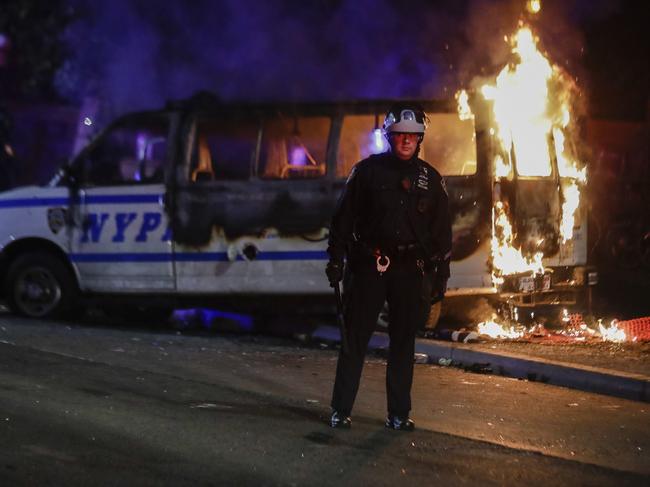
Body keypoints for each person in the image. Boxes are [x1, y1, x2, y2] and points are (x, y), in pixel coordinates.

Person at [325, 103, 452, 430]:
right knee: (355, 340)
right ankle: (340, 409)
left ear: (420, 139)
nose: (406, 141)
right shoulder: (366, 173)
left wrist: (440, 278)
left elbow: (441, 235)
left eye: (412, 135)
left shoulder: (431, 180)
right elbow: (343, 219)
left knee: (402, 343)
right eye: (399, 135)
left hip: (410, 272)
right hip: (369, 266)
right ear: (389, 136)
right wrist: (336, 260)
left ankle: (398, 414)